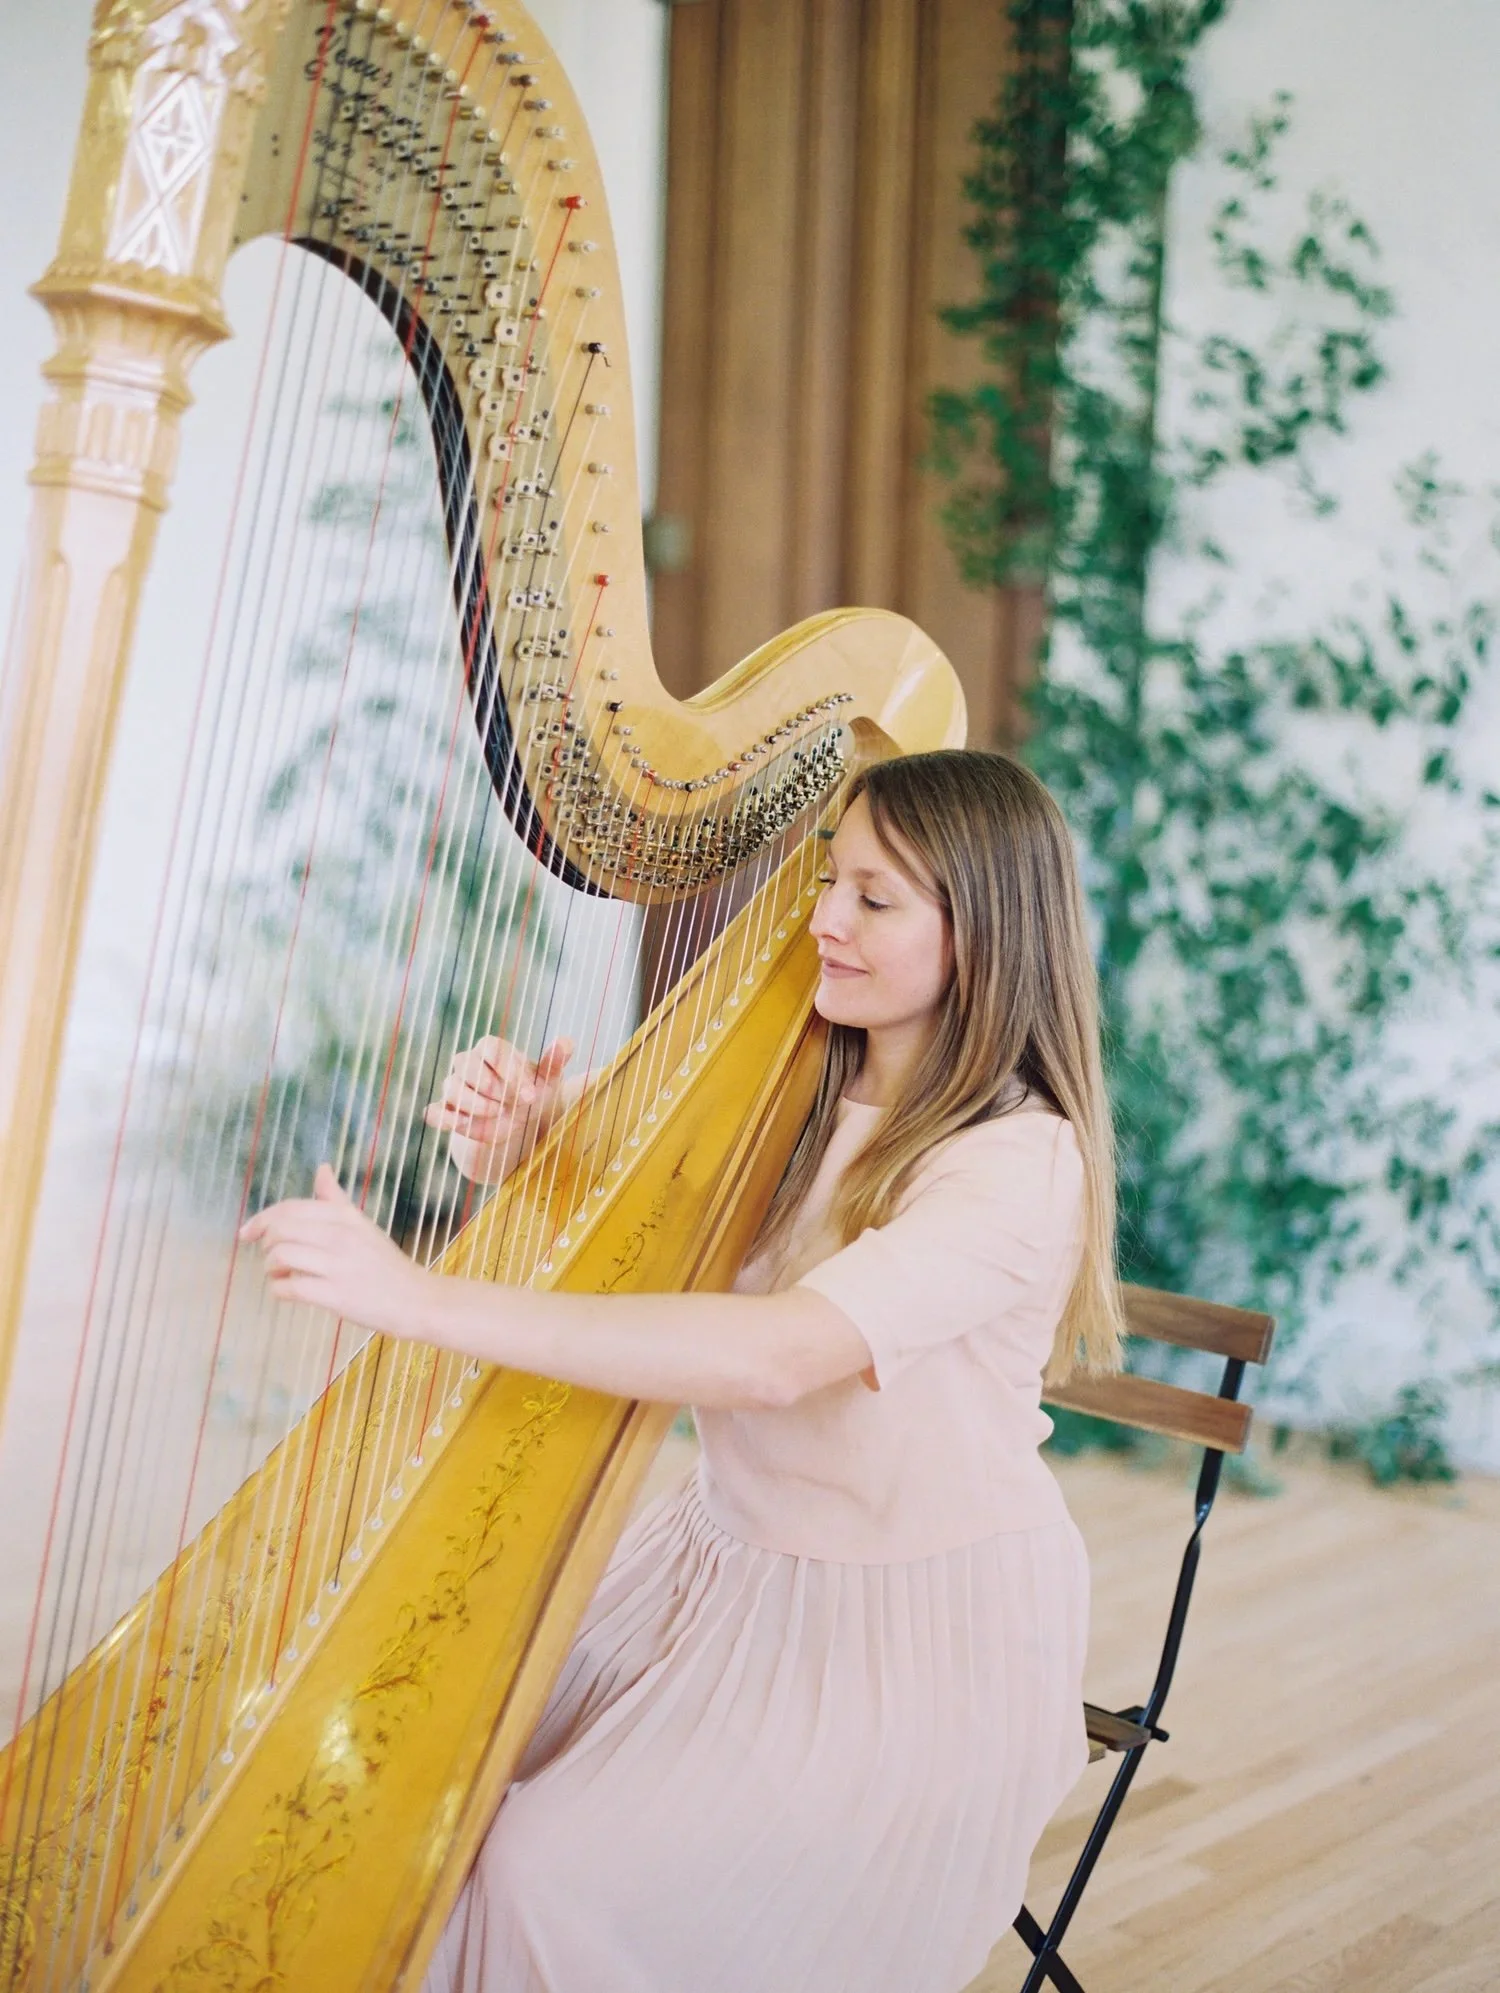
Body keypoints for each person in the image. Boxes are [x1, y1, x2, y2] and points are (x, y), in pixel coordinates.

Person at [242, 748, 1125, 1993]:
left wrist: (424, 1298)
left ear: (984, 932)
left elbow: (779, 1355)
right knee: (425, 1779)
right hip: (716, 1568)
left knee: (542, 1879)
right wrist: (532, 1144)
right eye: (831, 880)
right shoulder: (790, 1080)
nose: (825, 918)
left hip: (897, 1639)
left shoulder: (1015, 1165)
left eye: (878, 899)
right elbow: (648, 1229)